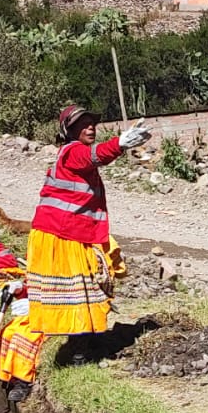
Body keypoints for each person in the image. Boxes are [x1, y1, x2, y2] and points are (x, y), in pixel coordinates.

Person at [25, 106, 151, 339]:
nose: (90, 127)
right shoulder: (72, 152)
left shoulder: (74, 154)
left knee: (83, 289)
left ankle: (83, 341)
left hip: (70, 232)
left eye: (92, 123)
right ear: (69, 130)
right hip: (60, 234)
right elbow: (94, 155)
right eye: (83, 124)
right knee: (76, 292)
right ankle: (79, 346)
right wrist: (119, 144)